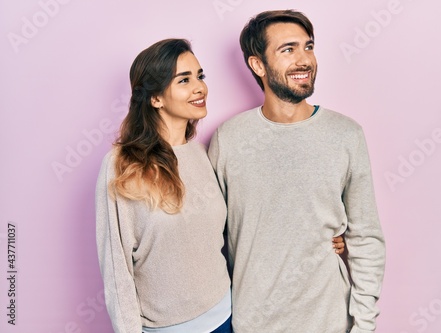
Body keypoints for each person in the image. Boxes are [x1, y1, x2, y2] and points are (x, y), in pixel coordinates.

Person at [95, 38, 346, 333]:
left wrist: (315, 238)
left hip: (227, 319)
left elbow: (241, 227)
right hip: (166, 328)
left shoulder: (202, 154)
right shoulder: (122, 166)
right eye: (184, 80)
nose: (199, 87)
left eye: (200, 76)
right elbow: (116, 270)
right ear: (155, 98)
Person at [208, 9, 386, 333]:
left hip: (331, 322)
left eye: (308, 46)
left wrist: (364, 325)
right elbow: (208, 236)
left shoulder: (346, 135)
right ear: (257, 64)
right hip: (252, 323)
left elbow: (366, 237)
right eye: (288, 49)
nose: (304, 59)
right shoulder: (229, 139)